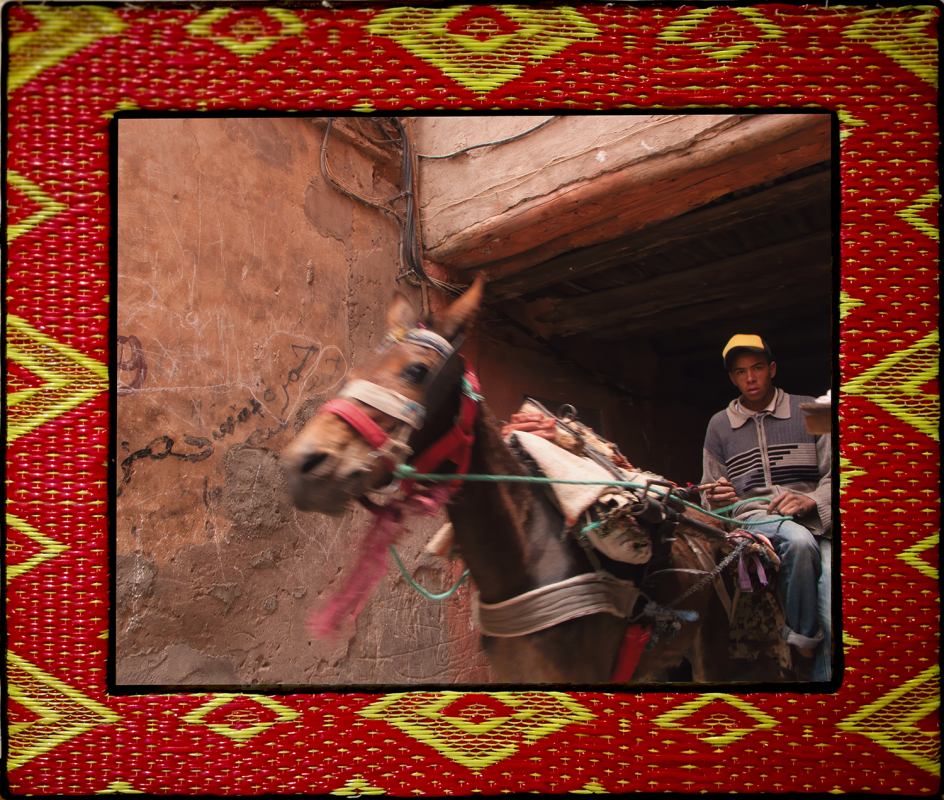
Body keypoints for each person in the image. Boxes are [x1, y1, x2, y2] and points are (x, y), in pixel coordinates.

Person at [701, 334, 832, 681]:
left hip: (818, 521)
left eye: (757, 368)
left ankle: (825, 690)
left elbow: (839, 476)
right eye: (741, 372)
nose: (751, 378)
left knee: (834, 611)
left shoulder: (810, 412)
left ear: (772, 369)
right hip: (757, 519)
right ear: (733, 378)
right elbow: (708, 490)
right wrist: (715, 497)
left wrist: (812, 500)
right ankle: (803, 646)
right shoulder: (719, 425)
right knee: (799, 543)